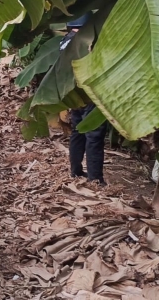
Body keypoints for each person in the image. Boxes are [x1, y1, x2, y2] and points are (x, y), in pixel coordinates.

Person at [62, 13, 108, 186]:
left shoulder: (65, 41)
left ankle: (75, 171)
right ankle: (95, 178)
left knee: (78, 131)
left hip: (75, 94)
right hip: (91, 93)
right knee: (94, 135)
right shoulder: (90, 43)